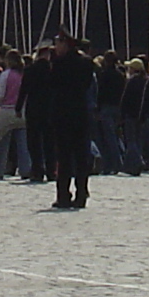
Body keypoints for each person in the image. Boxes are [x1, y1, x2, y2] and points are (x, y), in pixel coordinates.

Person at [38, 32, 97, 208]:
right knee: (81, 157)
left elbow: (52, 84)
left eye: (57, 43)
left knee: (64, 157)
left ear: (66, 44)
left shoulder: (59, 63)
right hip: (81, 112)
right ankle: (81, 194)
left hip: (62, 113)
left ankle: (63, 194)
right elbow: (86, 85)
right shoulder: (87, 62)